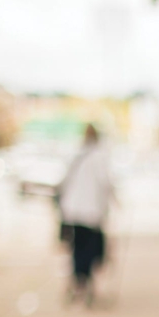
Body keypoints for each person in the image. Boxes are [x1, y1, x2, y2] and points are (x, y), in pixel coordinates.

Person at [57, 123, 114, 306]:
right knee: (92, 249)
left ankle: (79, 281)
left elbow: (64, 182)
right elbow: (106, 182)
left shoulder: (75, 154)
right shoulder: (99, 156)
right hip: (92, 212)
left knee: (77, 248)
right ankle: (85, 281)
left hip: (74, 211)